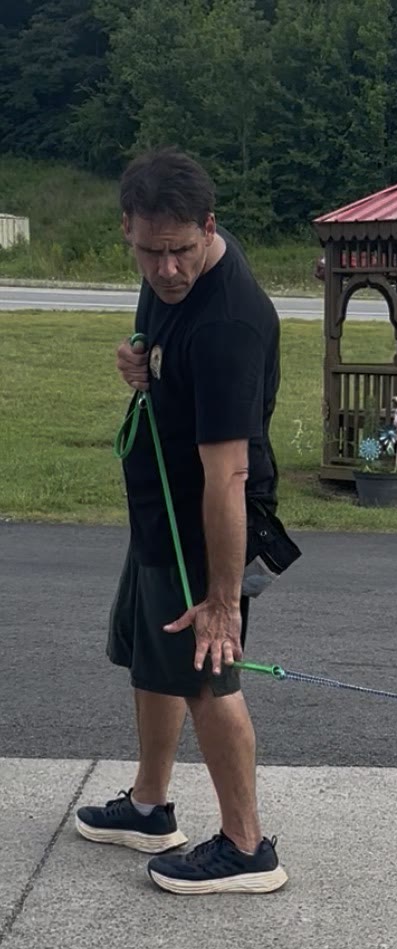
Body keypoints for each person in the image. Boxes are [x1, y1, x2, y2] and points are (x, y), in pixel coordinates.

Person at [75, 147, 287, 895]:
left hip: (210, 524)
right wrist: (137, 361)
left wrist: (223, 600)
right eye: (149, 252)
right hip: (159, 509)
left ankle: (246, 847)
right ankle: (149, 806)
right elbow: (158, 351)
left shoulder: (227, 322)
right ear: (128, 231)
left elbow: (227, 474)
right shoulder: (164, 281)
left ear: (208, 227)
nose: (166, 270)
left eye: (179, 252)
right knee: (151, 656)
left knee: (208, 676)